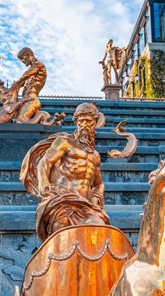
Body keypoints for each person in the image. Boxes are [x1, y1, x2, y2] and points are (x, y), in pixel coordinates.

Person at [21, 102, 108, 241]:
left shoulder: (95, 156)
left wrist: (97, 195)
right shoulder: (64, 142)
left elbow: (99, 184)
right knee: (62, 226)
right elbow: (45, 162)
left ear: (95, 123)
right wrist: (43, 182)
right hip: (62, 200)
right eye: (81, 121)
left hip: (85, 205)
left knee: (98, 226)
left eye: (88, 121)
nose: (84, 125)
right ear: (76, 122)